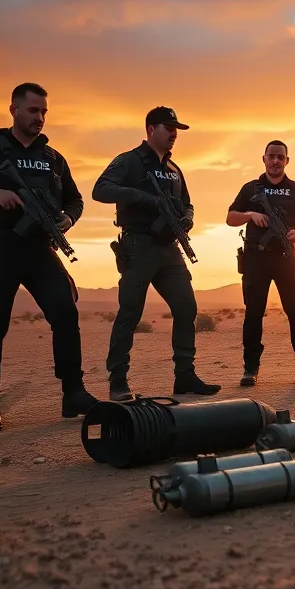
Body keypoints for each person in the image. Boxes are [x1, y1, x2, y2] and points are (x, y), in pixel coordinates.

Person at [0, 82, 97, 432]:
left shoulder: (53, 159)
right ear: (13, 110)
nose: (39, 118)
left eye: (44, 112)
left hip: (41, 249)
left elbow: (75, 199)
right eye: (33, 110)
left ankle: (73, 392)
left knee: (65, 312)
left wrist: (68, 218)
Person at [91, 106, 220, 401]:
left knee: (186, 307)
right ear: (151, 129)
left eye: (176, 128)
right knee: (130, 313)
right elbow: (100, 190)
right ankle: (118, 381)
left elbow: (188, 203)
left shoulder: (175, 170)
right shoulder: (129, 161)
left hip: (169, 249)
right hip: (138, 246)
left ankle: (184, 376)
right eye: (168, 127)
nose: (174, 133)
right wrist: (141, 197)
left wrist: (187, 218)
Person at [226, 140, 295, 387]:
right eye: (272, 156)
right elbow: (230, 218)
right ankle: (250, 368)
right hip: (256, 258)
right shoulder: (250, 189)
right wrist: (250, 215)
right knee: (254, 313)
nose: (276, 161)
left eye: (281, 157)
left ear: (286, 161)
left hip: (285, 258)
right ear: (264, 158)